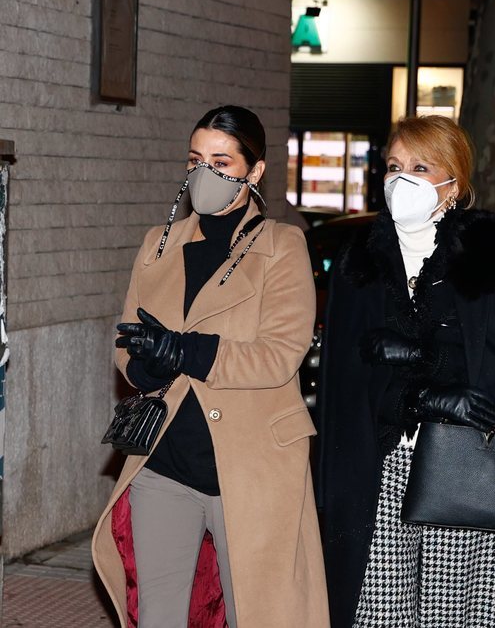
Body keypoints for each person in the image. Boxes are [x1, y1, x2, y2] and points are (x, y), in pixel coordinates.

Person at [313, 115, 495, 628]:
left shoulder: (493, 256)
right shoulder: (360, 263)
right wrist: (419, 398)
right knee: (378, 611)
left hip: (465, 469)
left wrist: (424, 365)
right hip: (383, 466)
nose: (401, 178)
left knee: (455, 615)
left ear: (453, 183)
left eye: (420, 166)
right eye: (393, 166)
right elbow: (347, 383)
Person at [92, 106, 329, 627]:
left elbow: (280, 354)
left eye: (222, 162)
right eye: (196, 159)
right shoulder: (159, 245)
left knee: (260, 613)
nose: (206, 174)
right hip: (164, 462)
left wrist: (185, 351)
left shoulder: (282, 247)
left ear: (255, 171)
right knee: (158, 614)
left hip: (253, 464)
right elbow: (127, 345)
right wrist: (148, 366)